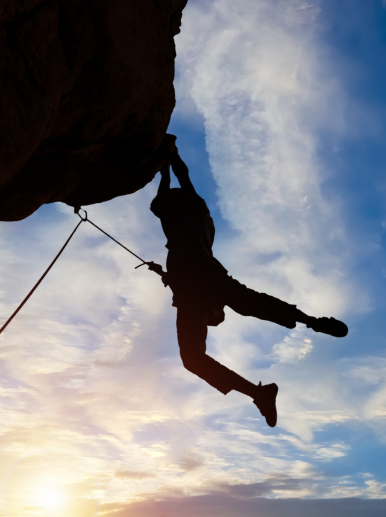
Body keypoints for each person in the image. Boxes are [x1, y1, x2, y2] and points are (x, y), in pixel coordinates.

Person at [147, 137, 347, 427]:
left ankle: (260, 390)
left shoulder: (178, 221)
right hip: (204, 279)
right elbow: (183, 178)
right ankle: (308, 321)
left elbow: (170, 190)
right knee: (245, 302)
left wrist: (166, 164)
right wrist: (171, 159)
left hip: (199, 285)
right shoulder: (199, 214)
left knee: (200, 350)